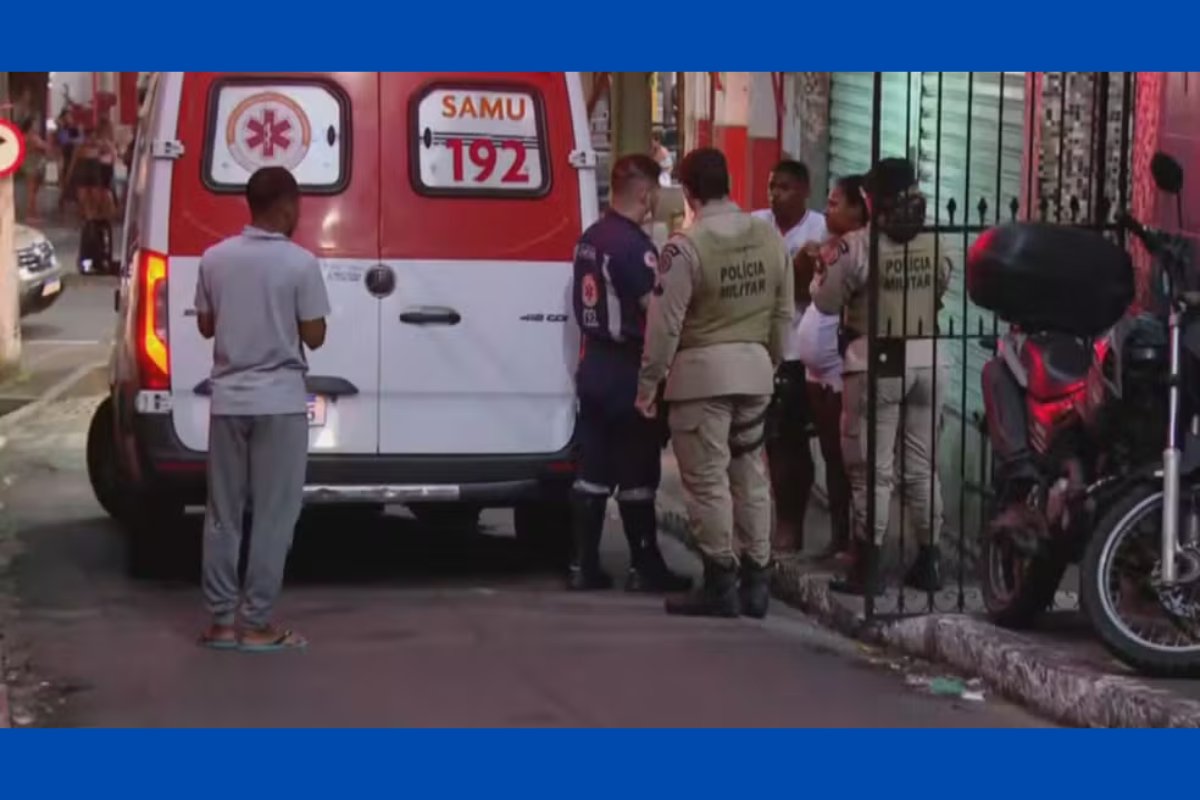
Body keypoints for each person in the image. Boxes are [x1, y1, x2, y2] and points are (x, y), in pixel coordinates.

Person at [637, 148, 792, 619]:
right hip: (755, 373)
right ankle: (758, 580)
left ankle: (720, 580)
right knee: (751, 475)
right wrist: (769, 363)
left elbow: (664, 325)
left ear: (688, 192)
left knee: (707, 481)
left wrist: (649, 385)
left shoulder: (685, 247)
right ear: (728, 183)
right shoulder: (768, 237)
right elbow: (782, 314)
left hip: (701, 380)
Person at [194, 166, 331, 652]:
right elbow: (315, 334)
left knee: (222, 514)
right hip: (279, 403)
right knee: (274, 516)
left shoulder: (214, 258)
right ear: (288, 207)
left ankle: (219, 623)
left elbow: (206, 326)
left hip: (228, 401)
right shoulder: (300, 264)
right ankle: (255, 624)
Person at [809, 158, 951, 596]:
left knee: (872, 470)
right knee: (921, 466)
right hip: (930, 355)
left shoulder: (856, 246)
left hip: (877, 356)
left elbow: (825, 301)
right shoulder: (936, 241)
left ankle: (868, 568)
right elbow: (941, 289)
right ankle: (930, 560)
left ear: (871, 199)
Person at [567, 153, 692, 594]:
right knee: (638, 469)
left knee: (593, 468)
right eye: (656, 192)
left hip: (594, 365)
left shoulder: (590, 238)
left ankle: (583, 564)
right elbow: (652, 311)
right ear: (644, 193)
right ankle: (645, 565)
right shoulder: (633, 247)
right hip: (628, 367)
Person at [792, 175, 870, 562]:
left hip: (843, 367)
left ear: (859, 208)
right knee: (829, 453)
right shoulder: (829, 247)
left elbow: (834, 301)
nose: (828, 209)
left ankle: (857, 541)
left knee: (848, 459)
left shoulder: (859, 251)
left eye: (837, 203)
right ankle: (839, 536)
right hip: (817, 371)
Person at [752, 160, 827, 555]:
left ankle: (808, 526)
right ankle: (779, 523)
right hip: (765, 351)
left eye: (784, 187)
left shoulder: (821, 229)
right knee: (774, 442)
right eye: (771, 186)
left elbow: (810, 289)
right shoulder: (755, 226)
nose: (775, 195)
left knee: (805, 444)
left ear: (804, 191)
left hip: (806, 354)